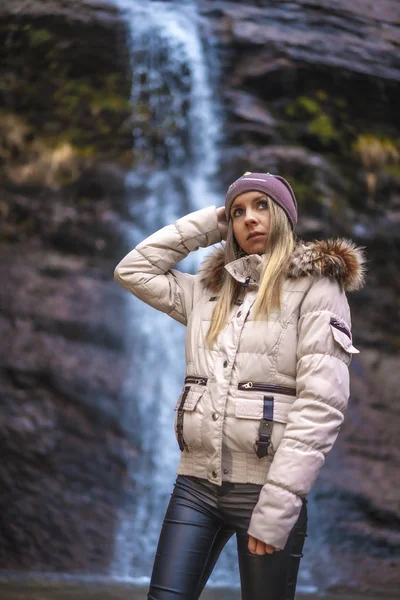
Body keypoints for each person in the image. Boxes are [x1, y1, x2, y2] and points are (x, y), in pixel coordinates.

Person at [114, 172, 365, 600]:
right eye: (238, 212)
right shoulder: (206, 293)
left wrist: (279, 506)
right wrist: (212, 224)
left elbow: (320, 405)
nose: (250, 218)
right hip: (194, 486)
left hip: (265, 490)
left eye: (262, 205)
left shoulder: (318, 289)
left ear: (285, 215)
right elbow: (133, 269)